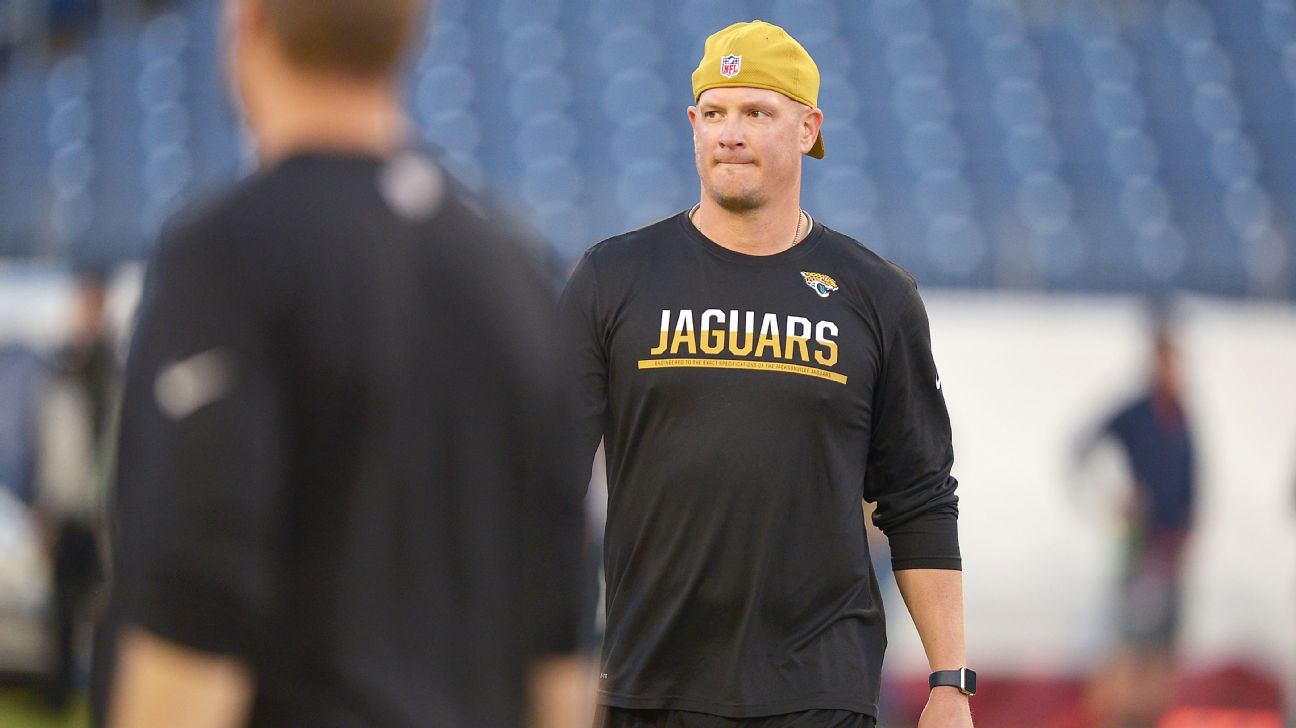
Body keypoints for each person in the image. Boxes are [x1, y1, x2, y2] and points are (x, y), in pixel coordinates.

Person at [105, 1, 589, 726]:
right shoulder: (515, 267)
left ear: (251, 22)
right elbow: (560, 619)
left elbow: (201, 586)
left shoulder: (230, 256)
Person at [561, 20, 974, 728]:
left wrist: (949, 683)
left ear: (810, 127)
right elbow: (543, 479)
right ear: (692, 124)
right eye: (715, 113)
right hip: (648, 681)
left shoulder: (876, 296)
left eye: (757, 112)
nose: (730, 133)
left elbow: (921, 499)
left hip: (819, 690)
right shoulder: (613, 278)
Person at [1077, 323, 1196, 728]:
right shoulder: (1137, 412)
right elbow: (1082, 448)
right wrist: (1115, 496)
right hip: (1141, 548)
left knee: (1163, 652)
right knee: (1128, 645)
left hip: (1173, 551)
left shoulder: (1180, 414)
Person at [34, 269, 118, 711]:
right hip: (67, 507)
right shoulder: (63, 364)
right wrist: (44, 506)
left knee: (102, 611)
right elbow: (49, 441)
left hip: (102, 511)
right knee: (62, 609)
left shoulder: (111, 366)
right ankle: (57, 694)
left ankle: (99, 697)